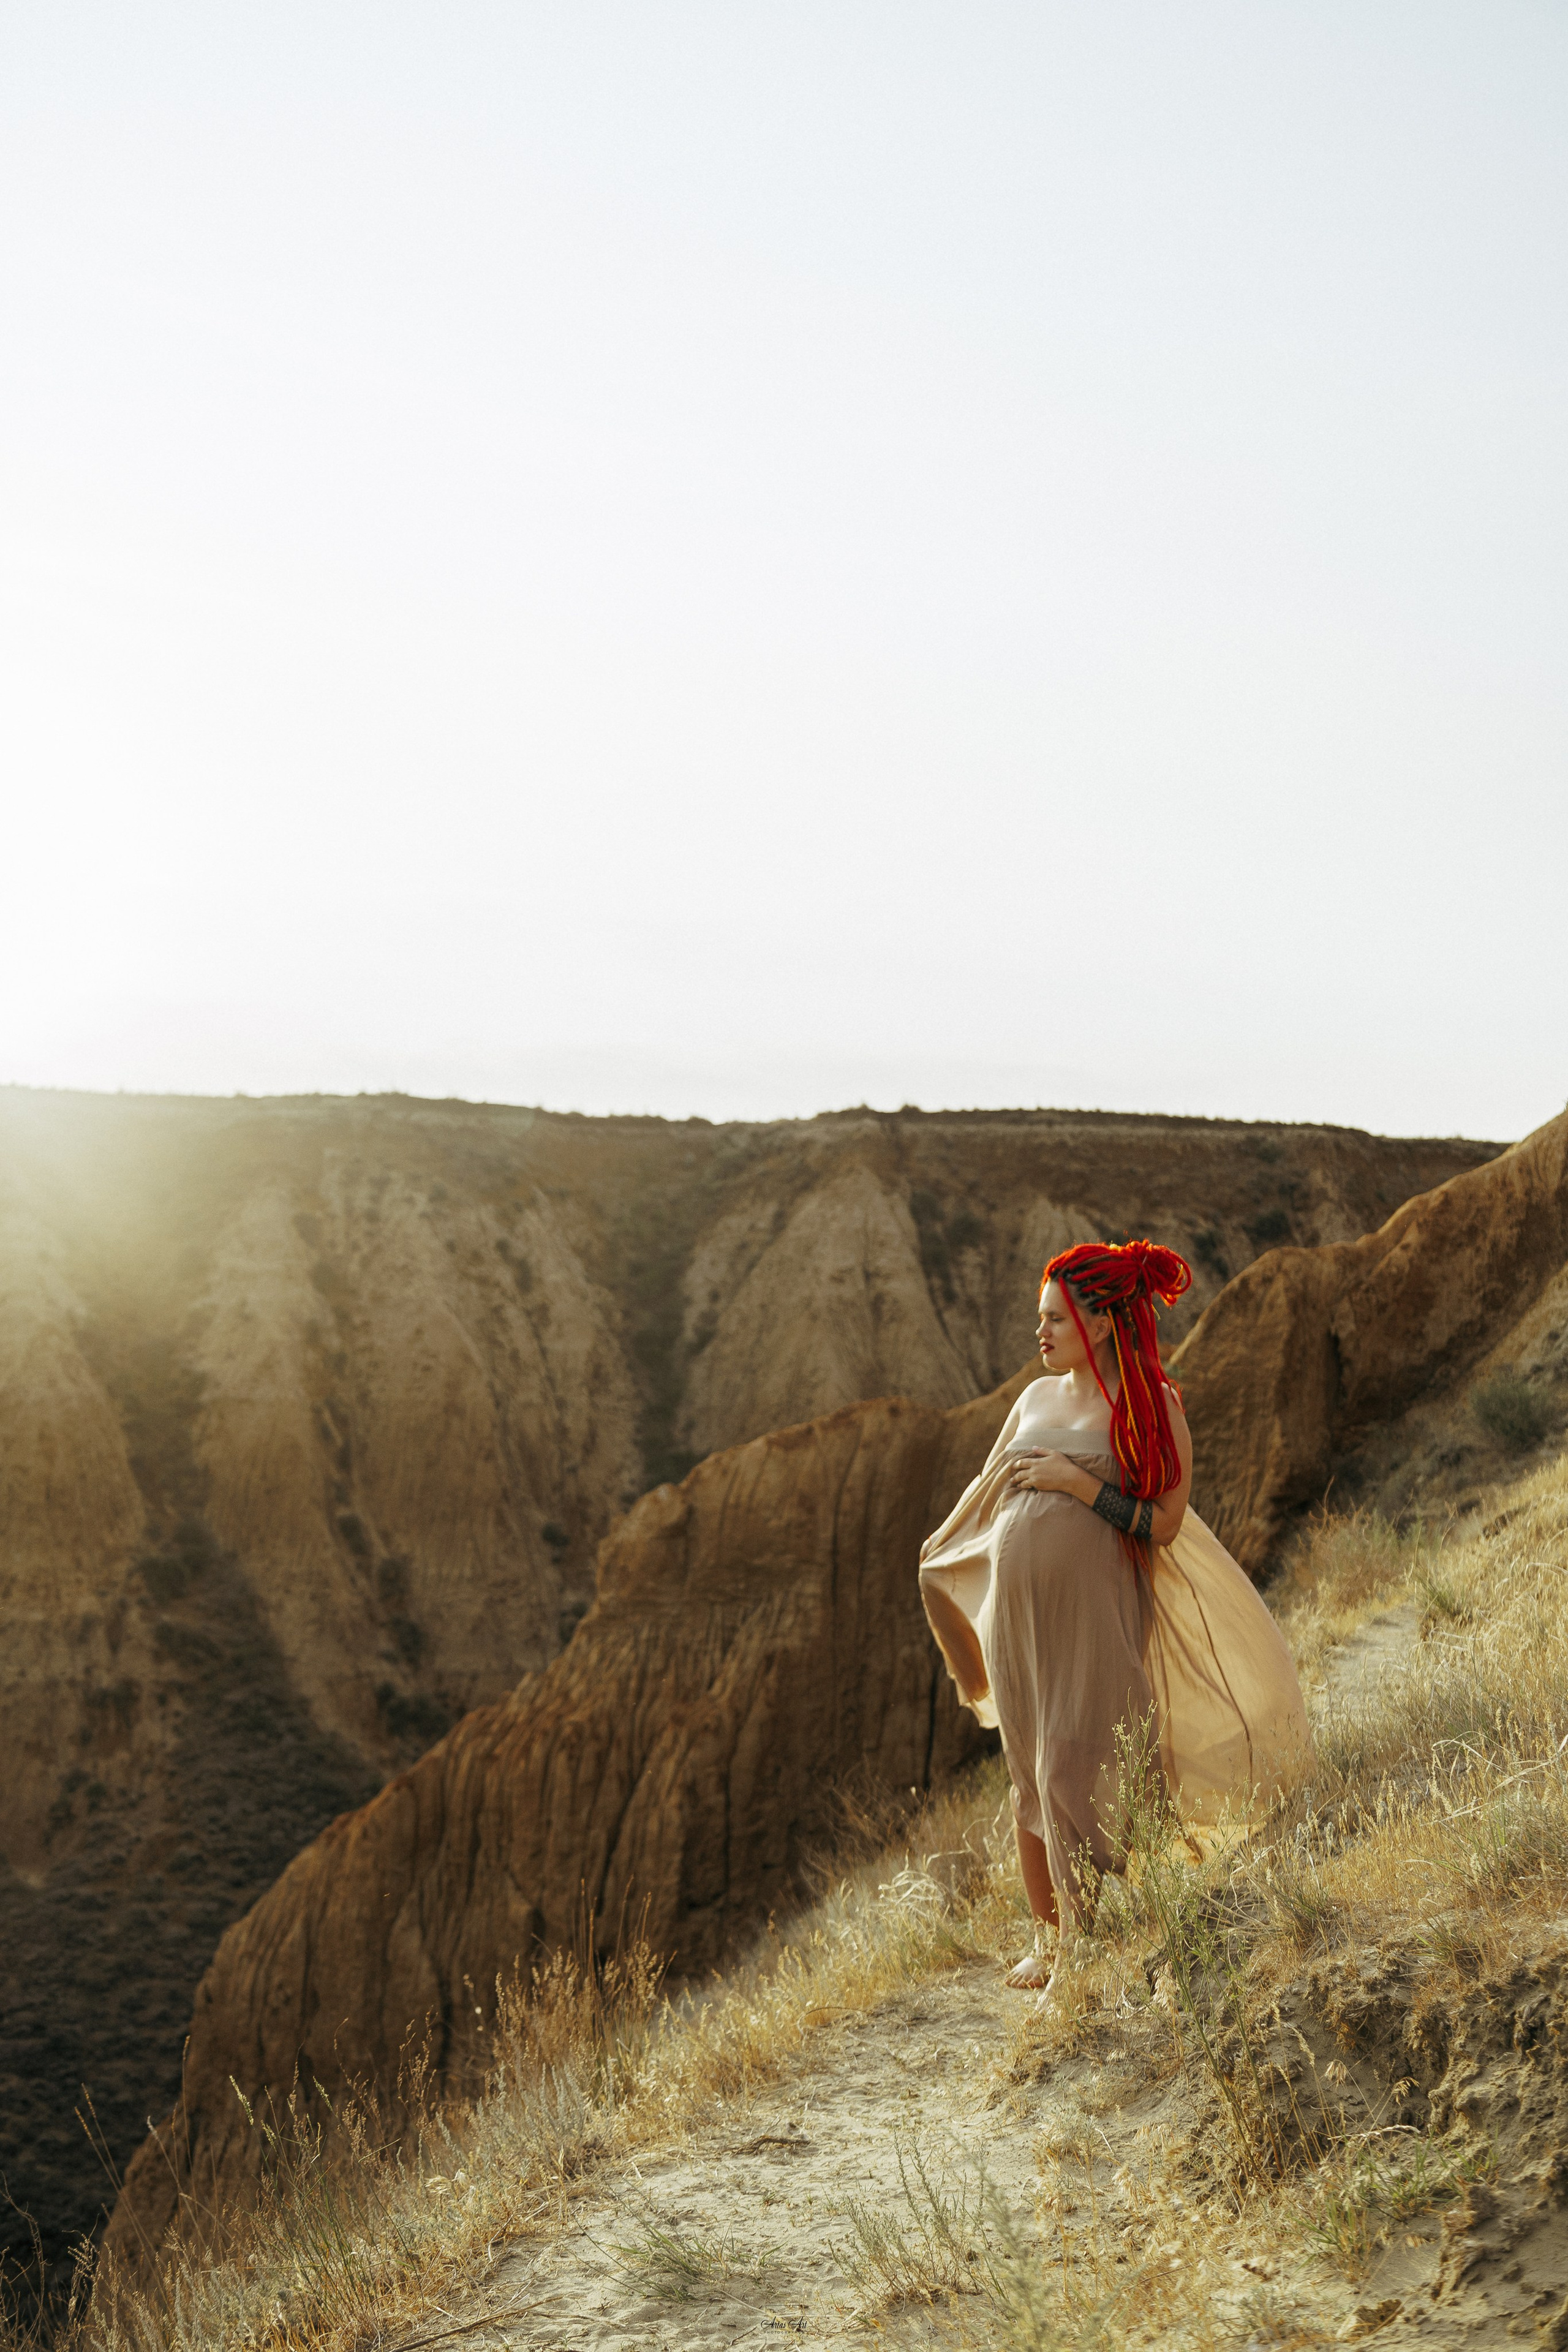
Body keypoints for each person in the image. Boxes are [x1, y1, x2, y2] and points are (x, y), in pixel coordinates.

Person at [918, 1238, 1311, 2007]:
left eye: (1054, 1321)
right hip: (1019, 1621)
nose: (1040, 1335)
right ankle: (1052, 1937)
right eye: (1040, 1320)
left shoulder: (1151, 1405)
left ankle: (1094, 1942)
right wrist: (945, 1552)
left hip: (1096, 1615)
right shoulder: (1032, 1401)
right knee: (1029, 1771)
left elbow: (1162, 1523)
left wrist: (1072, 1483)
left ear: (1098, 1324)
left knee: (1075, 1763)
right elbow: (989, 1492)